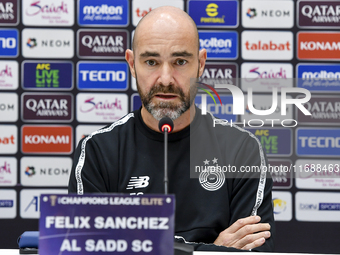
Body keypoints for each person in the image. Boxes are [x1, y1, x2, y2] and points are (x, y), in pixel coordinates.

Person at [69, 6, 275, 252]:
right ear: (132, 64)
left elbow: (252, 250)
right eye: (151, 62)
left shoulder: (241, 150)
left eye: (180, 61)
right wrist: (211, 249)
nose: (165, 78)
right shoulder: (97, 151)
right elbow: (87, 249)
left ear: (200, 64)